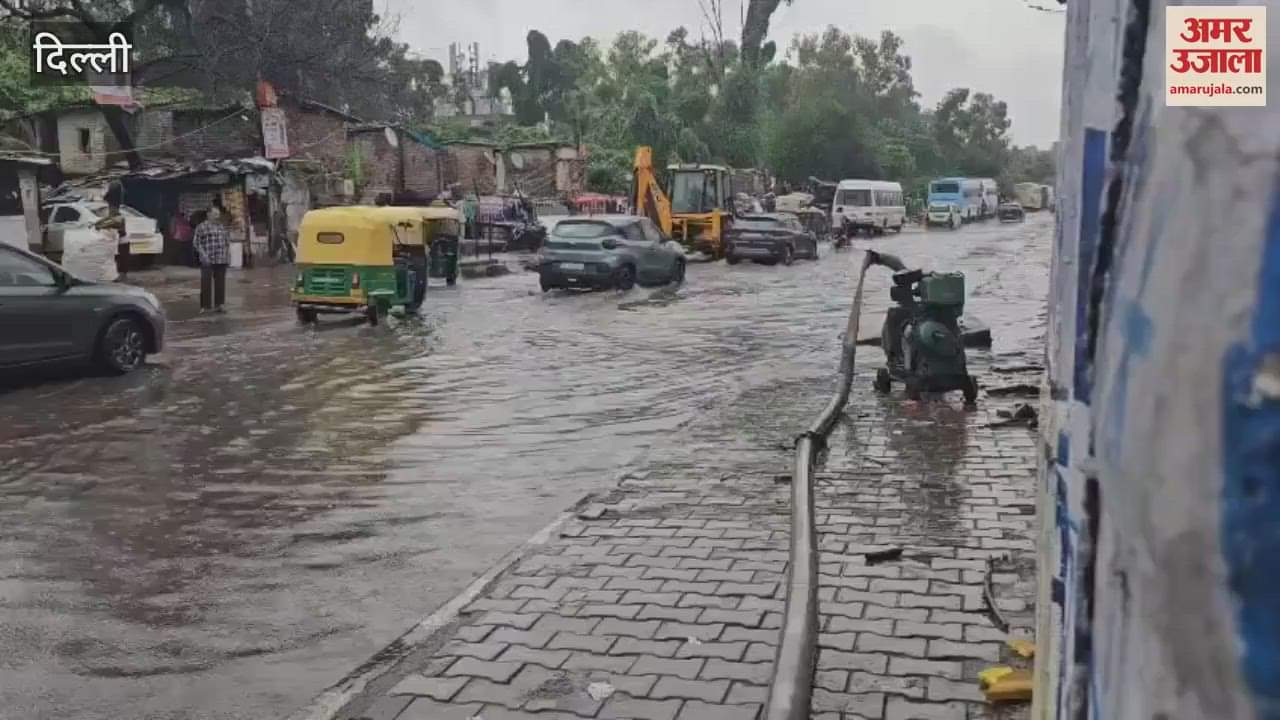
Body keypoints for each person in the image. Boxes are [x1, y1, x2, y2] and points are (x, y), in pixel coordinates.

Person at [192, 209, 230, 313]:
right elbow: (196, 243)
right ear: (209, 215)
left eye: (218, 214)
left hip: (221, 259)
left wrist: (227, 256)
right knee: (206, 283)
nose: (217, 216)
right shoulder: (201, 227)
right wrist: (203, 255)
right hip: (207, 259)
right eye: (215, 214)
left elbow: (226, 242)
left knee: (220, 283)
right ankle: (205, 306)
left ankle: (219, 305)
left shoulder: (221, 227)